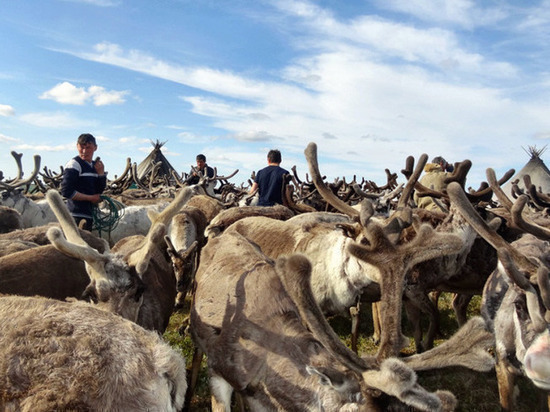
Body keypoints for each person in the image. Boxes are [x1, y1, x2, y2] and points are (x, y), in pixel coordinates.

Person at [60, 133, 107, 231]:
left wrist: (101, 175)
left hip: (89, 215)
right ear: (77, 146)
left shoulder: (95, 166)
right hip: (74, 216)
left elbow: (99, 190)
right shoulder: (74, 165)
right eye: (81, 147)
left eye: (88, 148)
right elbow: (66, 191)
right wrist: (90, 198)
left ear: (95, 148)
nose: (84, 151)